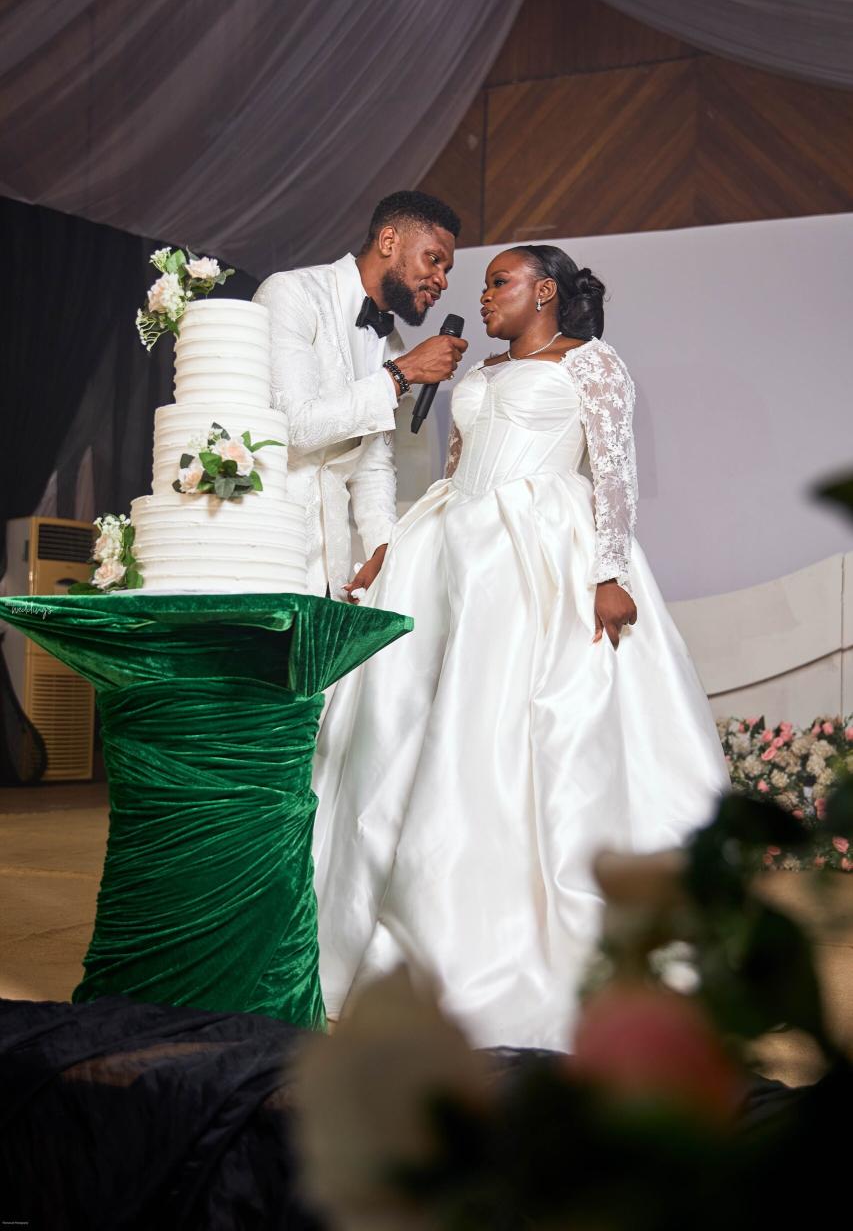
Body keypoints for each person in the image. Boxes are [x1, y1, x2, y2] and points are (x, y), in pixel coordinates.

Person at [311, 244, 730, 1052]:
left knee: (515, 721)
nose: (484, 295)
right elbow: (454, 469)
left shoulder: (591, 362)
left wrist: (608, 571)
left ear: (543, 291)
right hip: (452, 549)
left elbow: (613, 473)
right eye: (485, 284)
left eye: (498, 282)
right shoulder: (479, 374)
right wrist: (393, 548)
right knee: (413, 716)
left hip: (539, 550)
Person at [253, 191, 467, 600]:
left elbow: (372, 464)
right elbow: (293, 428)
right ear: (389, 242)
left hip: (332, 568)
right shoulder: (291, 293)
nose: (442, 280)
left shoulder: (393, 344)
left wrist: (384, 550)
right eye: (433, 259)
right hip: (268, 549)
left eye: (447, 269)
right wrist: (401, 374)